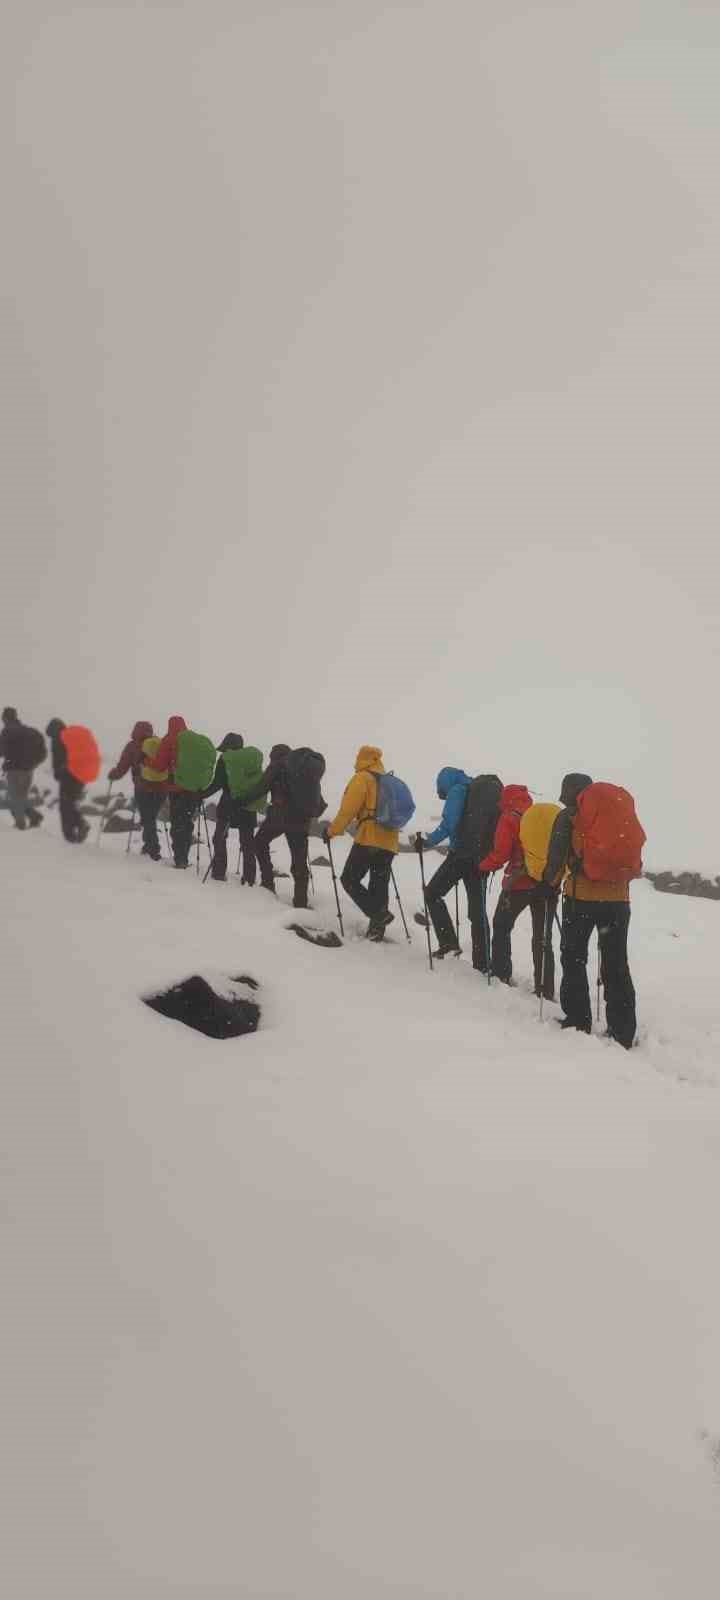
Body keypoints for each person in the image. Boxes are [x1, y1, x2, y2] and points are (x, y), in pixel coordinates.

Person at [544, 772, 637, 1049]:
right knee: (616, 962)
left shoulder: (568, 817)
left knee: (574, 957)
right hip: (618, 901)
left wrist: (550, 884)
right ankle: (622, 1031)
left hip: (581, 899)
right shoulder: (616, 813)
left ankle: (578, 1019)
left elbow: (556, 859)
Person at [478, 784, 556, 998]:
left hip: (518, 884)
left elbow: (501, 853)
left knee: (501, 926)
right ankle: (545, 988)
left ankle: (501, 973)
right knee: (542, 937)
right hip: (546, 884)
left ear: (505, 799)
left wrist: (483, 866)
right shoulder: (537, 816)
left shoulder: (509, 818)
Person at [325, 745, 398, 941]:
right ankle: (376, 931)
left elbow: (348, 810)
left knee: (349, 879)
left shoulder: (363, 778)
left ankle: (379, 914)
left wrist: (332, 831)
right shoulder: (389, 781)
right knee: (379, 884)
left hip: (369, 837)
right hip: (390, 841)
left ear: (362, 758)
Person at [242, 744, 320, 910]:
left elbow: (260, 788)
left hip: (280, 816)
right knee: (299, 860)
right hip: (301, 820)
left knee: (259, 843)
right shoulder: (303, 769)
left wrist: (241, 801)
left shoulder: (277, 766)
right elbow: (316, 799)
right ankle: (300, 902)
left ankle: (268, 883)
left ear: (274, 756)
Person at [412, 766, 473, 957]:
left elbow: (449, 823)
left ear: (444, 782)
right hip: (477, 856)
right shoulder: (472, 789)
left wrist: (428, 841)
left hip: (460, 855)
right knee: (477, 911)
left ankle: (448, 943)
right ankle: (482, 960)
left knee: (432, 894)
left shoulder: (457, 790)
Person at [200, 734, 258, 884]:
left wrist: (201, 794)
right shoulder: (250, 761)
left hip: (228, 804)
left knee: (219, 838)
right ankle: (249, 879)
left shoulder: (225, 760)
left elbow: (217, 784)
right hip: (248, 806)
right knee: (247, 843)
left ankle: (219, 872)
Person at [107, 721, 165, 860]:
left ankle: (153, 849)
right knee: (150, 817)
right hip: (161, 788)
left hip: (143, 788)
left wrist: (114, 775)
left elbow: (123, 766)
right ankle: (149, 846)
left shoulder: (132, 746)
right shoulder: (159, 744)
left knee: (147, 818)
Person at [148, 716, 196, 868]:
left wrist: (147, 761)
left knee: (177, 822)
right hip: (192, 787)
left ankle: (180, 858)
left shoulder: (168, 740)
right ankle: (184, 856)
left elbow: (159, 766)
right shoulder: (192, 739)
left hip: (175, 786)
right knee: (187, 821)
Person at [45, 718, 89, 843]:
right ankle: (80, 824)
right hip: (78, 777)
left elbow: (62, 759)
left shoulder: (59, 739)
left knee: (65, 806)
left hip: (69, 777)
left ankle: (70, 836)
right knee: (69, 804)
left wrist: (61, 771)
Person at [0, 707, 45, 830]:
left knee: (15, 799)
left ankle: (20, 825)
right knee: (21, 798)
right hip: (28, 770)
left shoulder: (7, 731)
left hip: (14, 770)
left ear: (5, 718)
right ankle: (35, 817)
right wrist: (33, 764)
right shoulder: (30, 732)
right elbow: (43, 753)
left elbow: (2, 750)